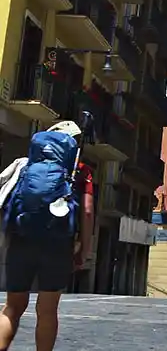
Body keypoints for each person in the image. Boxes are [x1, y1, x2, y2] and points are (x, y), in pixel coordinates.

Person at [0, 120, 94, 351]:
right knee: (47, 310)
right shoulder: (80, 171)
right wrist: (84, 248)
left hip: (22, 238)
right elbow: (87, 211)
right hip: (58, 245)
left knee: (12, 307)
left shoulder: (25, 165)